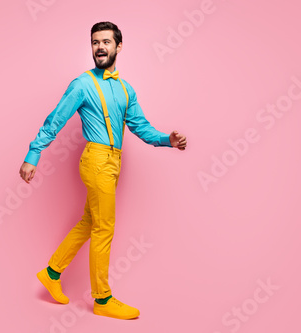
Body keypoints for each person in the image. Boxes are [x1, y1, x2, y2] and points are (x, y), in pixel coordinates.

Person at [19, 21, 187, 320]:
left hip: (114, 161)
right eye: (96, 42)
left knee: (89, 221)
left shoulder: (125, 88)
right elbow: (54, 120)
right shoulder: (82, 84)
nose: (100, 47)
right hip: (96, 160)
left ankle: (52, 273)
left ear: (118, 47)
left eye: (106, 42)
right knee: (104, 228)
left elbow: (140, 127)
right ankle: (102, 298)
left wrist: (167, 141)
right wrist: (34, 154)